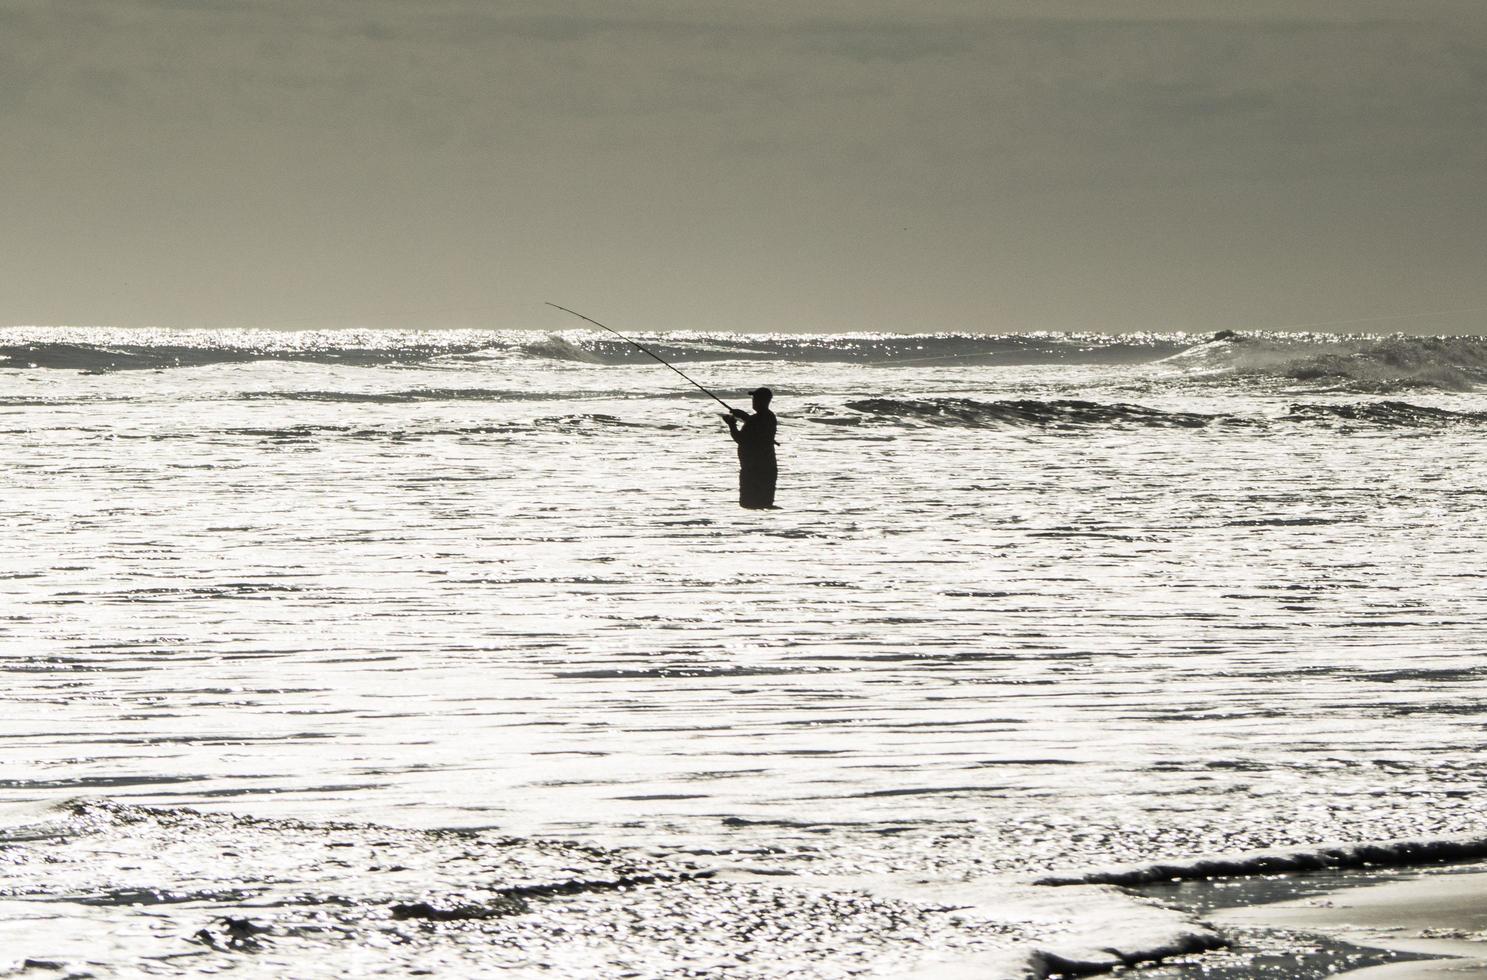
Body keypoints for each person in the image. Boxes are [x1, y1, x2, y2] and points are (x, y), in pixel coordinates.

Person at [722, 387, 778, 509]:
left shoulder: (756, 419)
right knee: (764, 503)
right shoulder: (769, 416)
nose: (753, 401)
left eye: (756, 398)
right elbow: (757, 427)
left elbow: (741, 440)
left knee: (748, 503)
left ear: (763, 401)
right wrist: (745, 417)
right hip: (766, 467)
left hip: (753, 468)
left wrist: (731, 425)